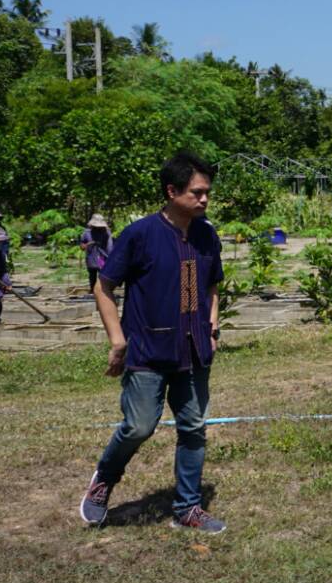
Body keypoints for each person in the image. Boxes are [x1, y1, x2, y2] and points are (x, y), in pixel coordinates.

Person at [79, 152, 227, 533]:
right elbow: (104, 285)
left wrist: (212, 324)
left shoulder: (206, 234)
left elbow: (210, 284)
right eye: (197, 192)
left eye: (207, 192)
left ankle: (188, 508)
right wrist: (117, 339)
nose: (205, 199)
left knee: (193, 426)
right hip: (147, 350)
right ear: (171, 191)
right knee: (139, 426)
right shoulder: (140, 234)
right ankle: (104, 480)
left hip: (194, 350)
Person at [79, 214, 115, 295]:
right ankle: (93, 290)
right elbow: (82, 246)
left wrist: (111, 257)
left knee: (102, 274)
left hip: (101, 258)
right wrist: (88, 244)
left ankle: (102, 291)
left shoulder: (106, 232)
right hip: (91, 257)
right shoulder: (87, 233)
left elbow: (110, 247)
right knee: (92, 275)